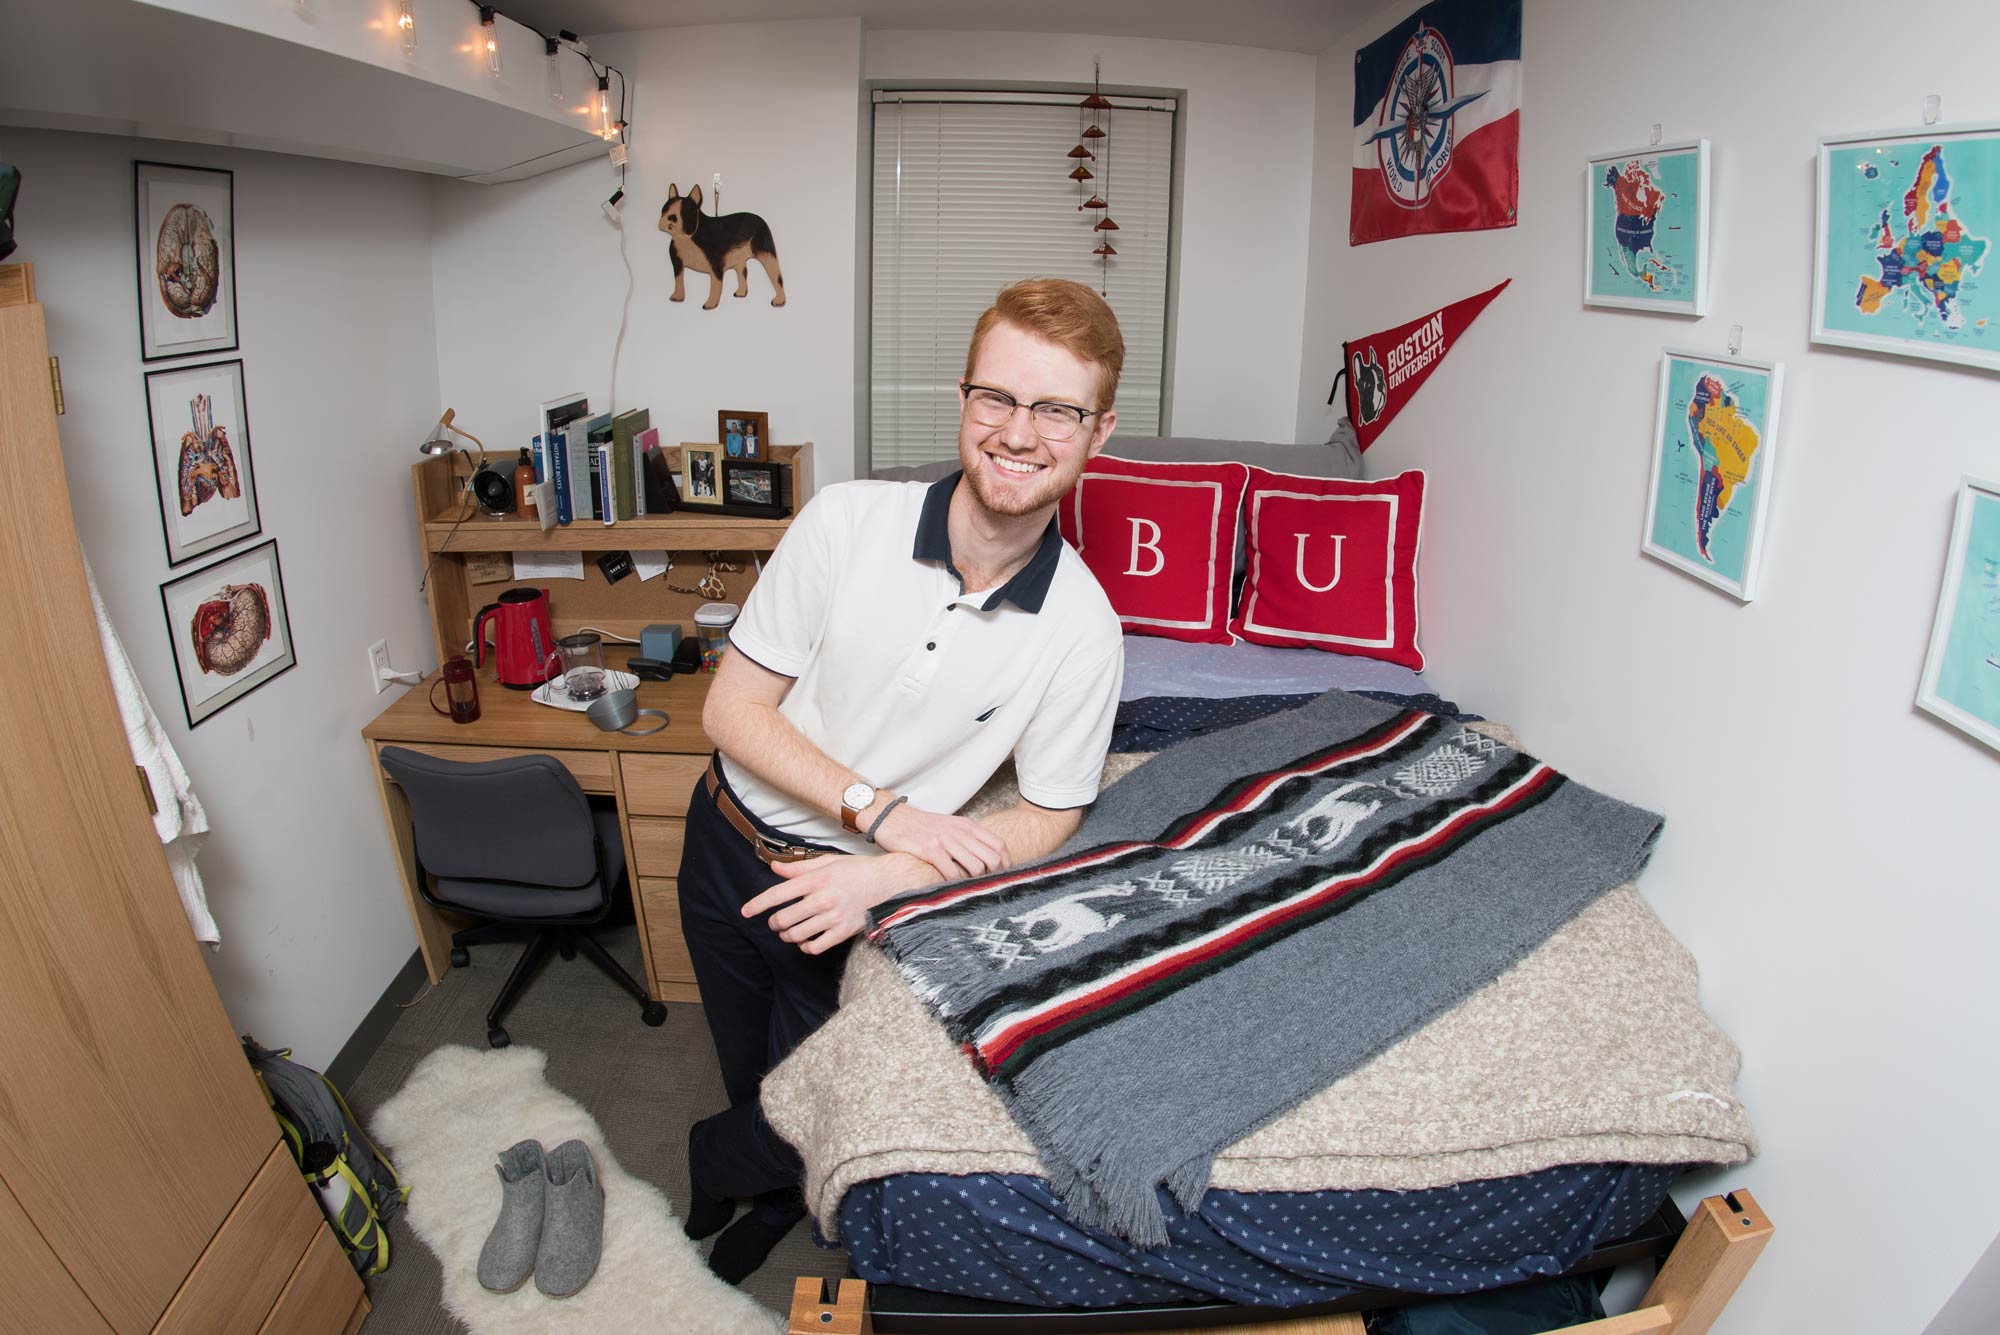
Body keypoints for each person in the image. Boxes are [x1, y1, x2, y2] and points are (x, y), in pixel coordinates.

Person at [677, 277, 1127, 1283]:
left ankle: (721, 1167)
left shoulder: (1084, 630)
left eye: (1056, 409)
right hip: (720, 842)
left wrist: (883, 871)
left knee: (810, 1098)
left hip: (844, 893)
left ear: (1096, 432)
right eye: (996, 398)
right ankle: (741, 1184)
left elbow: (1054, 809)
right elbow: (728, 711)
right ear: (962, 402)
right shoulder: (844, 522)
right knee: (740, 1055)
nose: (1018, 432)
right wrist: (885, 812)